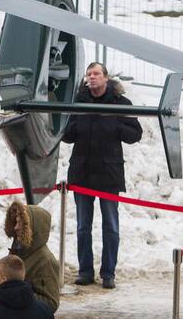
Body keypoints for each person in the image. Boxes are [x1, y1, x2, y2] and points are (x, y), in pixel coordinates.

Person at [61, 61, 143, 289]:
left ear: (106, 78)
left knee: (111, 227)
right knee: (82, 227)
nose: (92, 77)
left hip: (108, 174)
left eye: (96, 73)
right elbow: (65, 134)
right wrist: (72, 129)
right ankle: (85, 271)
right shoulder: (79, 102)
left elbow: (135, 134)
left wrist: (115, 127)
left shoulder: (121, 103)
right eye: (89, 74)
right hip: (82, 173)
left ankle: (109, 273)